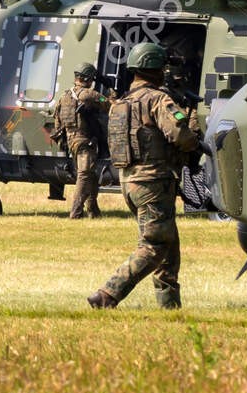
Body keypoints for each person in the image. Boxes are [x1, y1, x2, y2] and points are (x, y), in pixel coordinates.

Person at [88, 42, 201, 310]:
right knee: (154, 245)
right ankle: (108, 294)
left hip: (129, 181)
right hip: (153, 182)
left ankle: (169, 306)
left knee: (168, 246)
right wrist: (195, 141)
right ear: (156, 70)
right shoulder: (158, 100)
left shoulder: (121, 104)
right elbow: (180, 136)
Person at [52, 62, 109, 219]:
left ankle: (93, 210)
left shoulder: (65, 96)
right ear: (89, 79)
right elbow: (112, 106)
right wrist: (110, 89)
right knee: (85, 175)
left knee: (89, 175)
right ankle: (76, 212)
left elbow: (57, 120)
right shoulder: (89, 95)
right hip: (85, 141)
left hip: (71, 141)